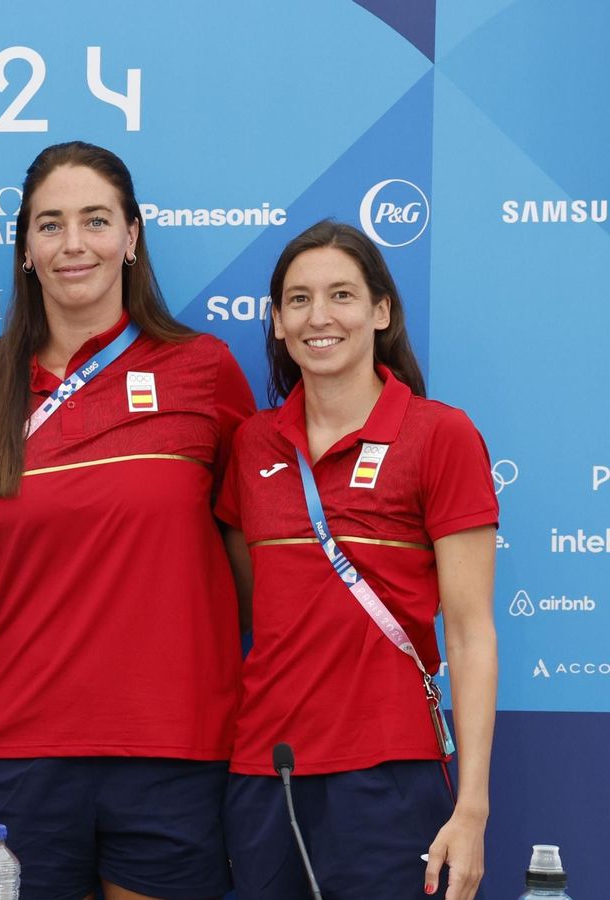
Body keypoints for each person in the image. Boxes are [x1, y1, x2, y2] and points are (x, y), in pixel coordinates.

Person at [0, 141, 254, 900]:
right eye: (50, 225)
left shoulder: (203, 369)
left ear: (132, 236)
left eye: (95, 220)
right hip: (15, 748)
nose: (73, 244)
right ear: (24, 249)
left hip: (172, 746)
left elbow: (253, 563)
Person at [216, 220, 496, 900]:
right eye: (299, 299)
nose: (320, 317)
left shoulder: (441, 435)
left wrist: (472, 807)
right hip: (264, 771)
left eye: (342, 295)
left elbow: (470, 630)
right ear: (278, 322)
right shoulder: (253, 444)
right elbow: (255, 603)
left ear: (381, 311)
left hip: (388, 775)